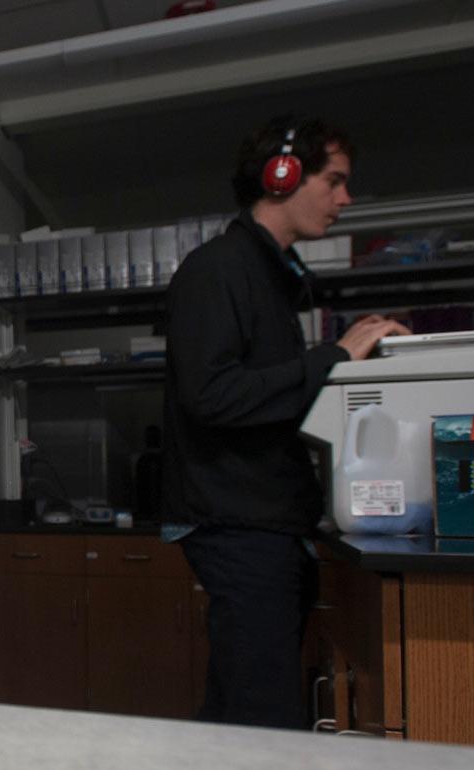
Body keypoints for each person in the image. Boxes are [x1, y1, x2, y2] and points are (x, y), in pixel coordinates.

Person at [160, 116, 408, 728]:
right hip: (237, 524)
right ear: (282, 175)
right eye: (334, 181)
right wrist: (334, 357)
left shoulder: (269, 275)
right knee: (263, 716)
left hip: (265, 523)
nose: (345, 199)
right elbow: (213, 395)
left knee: (240, 707)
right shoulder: (219, 269)